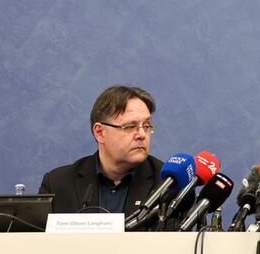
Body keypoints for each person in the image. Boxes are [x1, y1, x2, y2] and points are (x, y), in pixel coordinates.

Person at [39, 85, 189, 227]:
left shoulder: (169, 185)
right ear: (100, 132)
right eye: (130, 126)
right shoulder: (58, 185)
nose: (142, 135)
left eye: (147, 126)